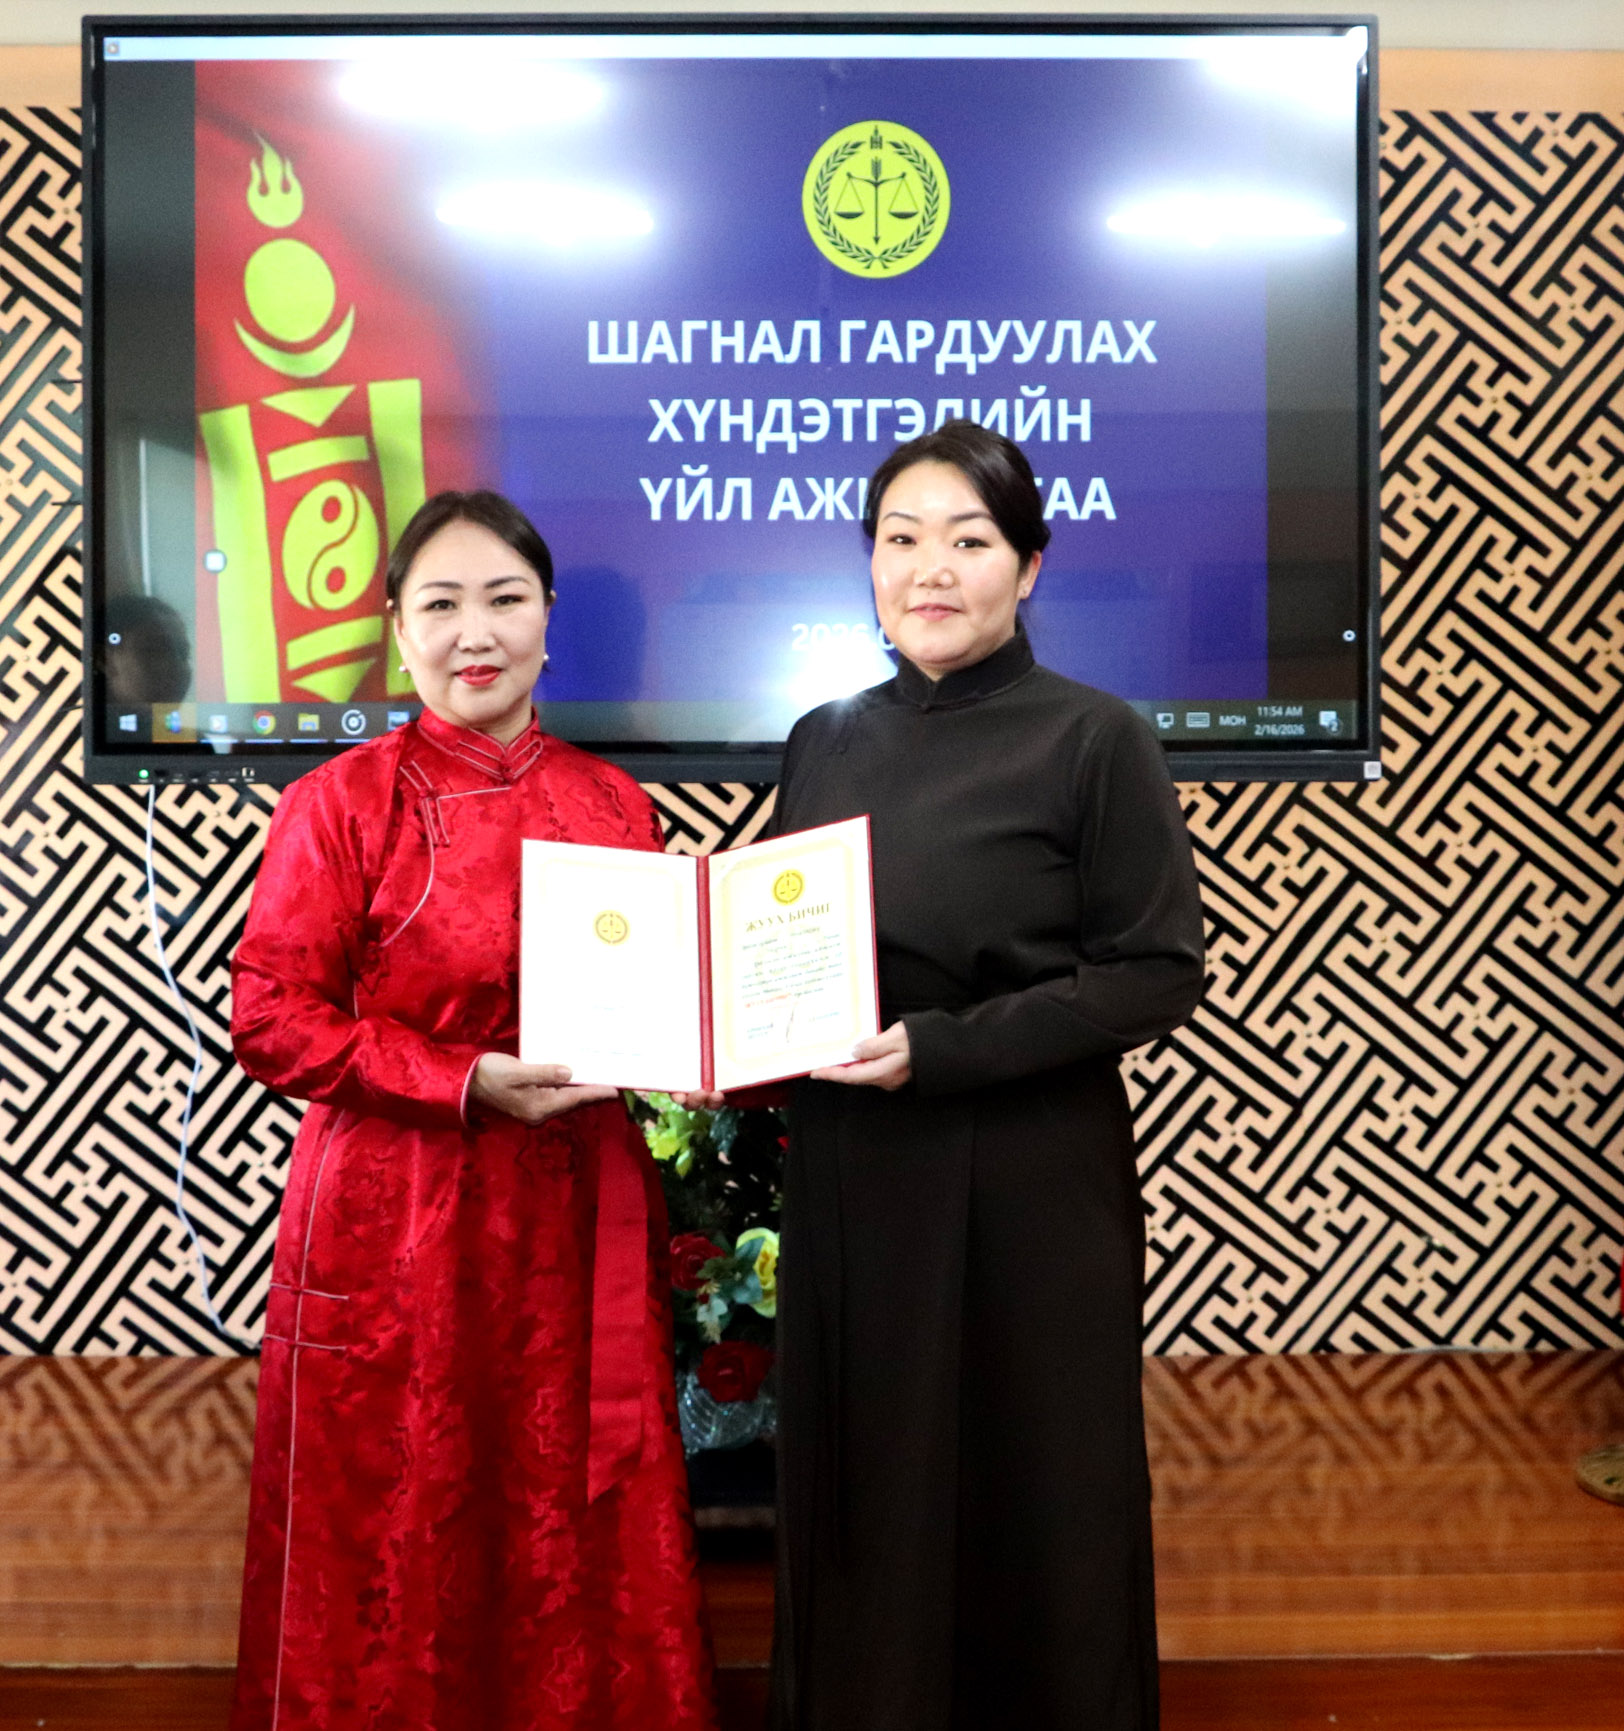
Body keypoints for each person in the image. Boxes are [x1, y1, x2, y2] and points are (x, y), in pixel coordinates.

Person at [228, 491, 717, 1731]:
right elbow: (270, 1016)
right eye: (440, 605)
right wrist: (458, 1080)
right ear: (398, 630)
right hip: (398, 1224)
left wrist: (701, 1041)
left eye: (505, 599)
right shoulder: (341, 803)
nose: (475, 632)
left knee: (565, 1507)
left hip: (573, 1220)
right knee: (409, 1513)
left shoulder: (615, 805)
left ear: (549, 620)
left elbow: (644, 1003)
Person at [767, 423, 1205, 1729]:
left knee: (1040, 1486)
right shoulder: (822, 737)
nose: (931, 569)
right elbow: (781, 947)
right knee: (868, 1482)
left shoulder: (1096, 737)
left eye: (968, 539)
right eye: (901, 539)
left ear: (1029, 565)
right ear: (870, 564)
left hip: (1029, 1175)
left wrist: (944, 1047)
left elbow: (1153, 971)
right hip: (855, 1171)